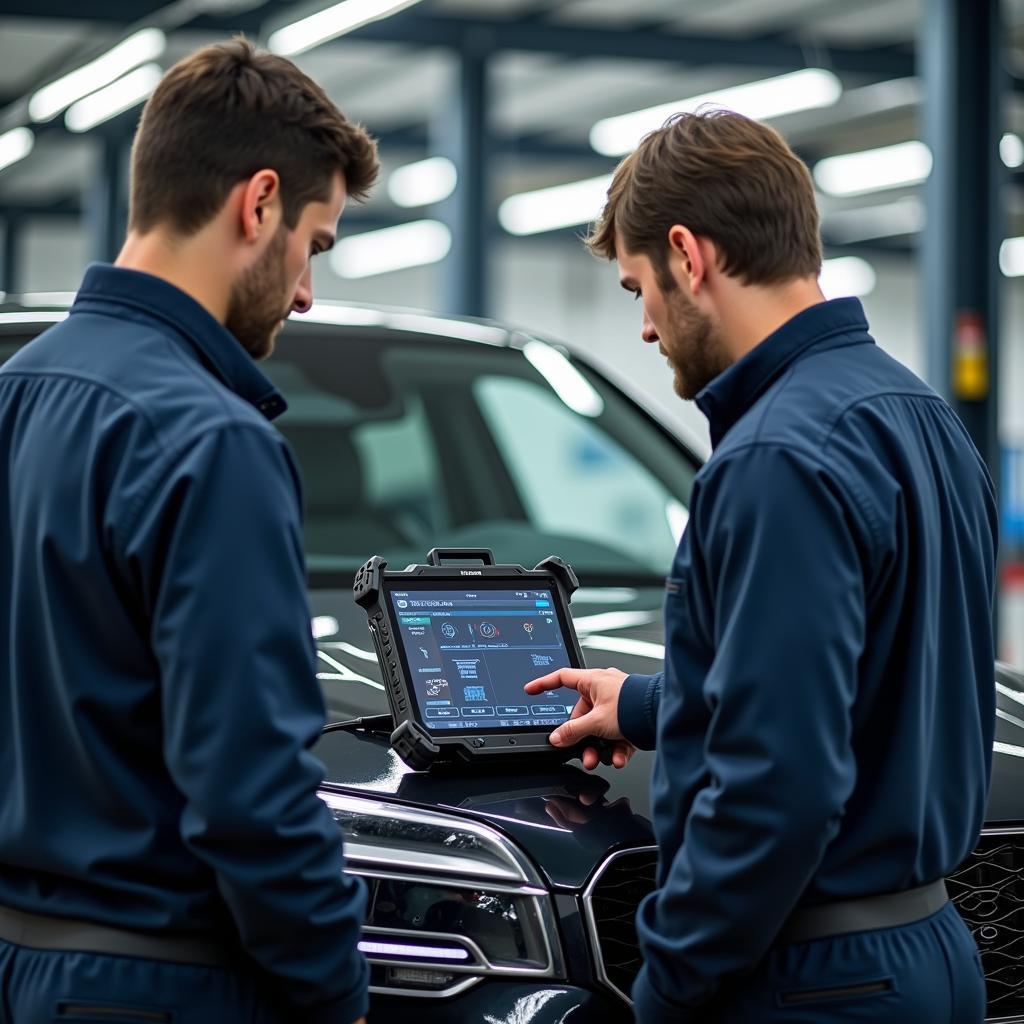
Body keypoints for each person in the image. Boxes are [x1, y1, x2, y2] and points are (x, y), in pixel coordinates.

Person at [526, 109, 997, 1023]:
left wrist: (668, 986)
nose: (649, 329)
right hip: (935, 949)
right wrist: (650, 702)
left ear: (688, 256)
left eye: (638, 291)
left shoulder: (776, 456)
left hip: (814, 980)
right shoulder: (921, 415)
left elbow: (774, 789)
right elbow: (872, 676)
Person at [0, 39, 379, 1024]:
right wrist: (338, 988)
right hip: (167, 983)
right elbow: (253, 797)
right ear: (258, 204)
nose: (305, 292)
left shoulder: (13, 396)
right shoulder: (211, 439)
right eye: (316, 244)